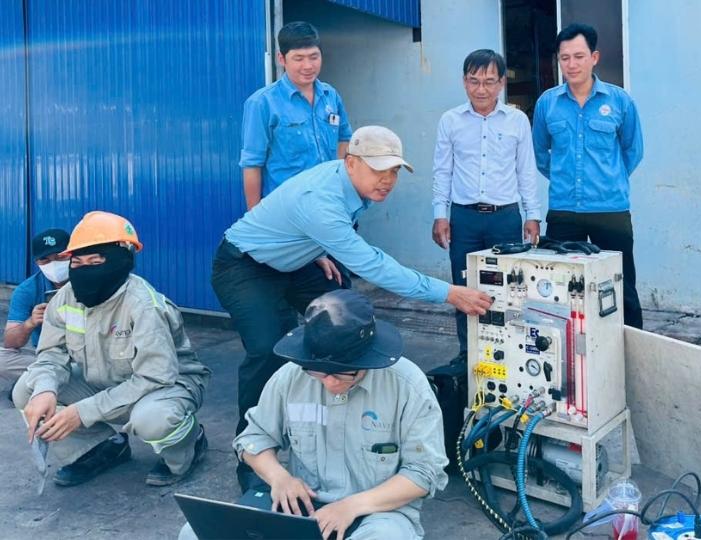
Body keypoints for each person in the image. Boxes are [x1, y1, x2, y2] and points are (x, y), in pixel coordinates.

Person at [212, 125, 492, 491]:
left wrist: (316, 249)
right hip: (245, 266)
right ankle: (252, 461)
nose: (387, 180)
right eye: (379, 170)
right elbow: (372, 265)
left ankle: (360, 429)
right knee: (267, 349)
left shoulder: (348, 187)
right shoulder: (321, 200)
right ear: (351, 163)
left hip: (297, 262)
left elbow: (315, 228)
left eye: (394, 171)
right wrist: (448, 293)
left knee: (352, 319)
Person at [179, 289, 447, 540]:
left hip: (377, 511)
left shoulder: (407, 385)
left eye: (344, 374)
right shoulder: (291, 376)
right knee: (193, 533)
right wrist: (279, 478)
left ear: (368, 358)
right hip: (301, 508)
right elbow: (253, 439)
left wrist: (350, 506)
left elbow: (423, 473)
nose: (329, 383)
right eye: (318, 373)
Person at [13, 211, 210, 487]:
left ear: (122, 260)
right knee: (28, 389)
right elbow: (51, 354)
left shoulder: (143, 305)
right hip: (103, 384)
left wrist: (82, 412)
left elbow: (155, 377)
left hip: (163, 388)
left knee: (154, 420)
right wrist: (46, 387)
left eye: (96, 261)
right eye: (78, 262)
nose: (85, 270)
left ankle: (190, 444)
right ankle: (102, 448)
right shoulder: (66, 298)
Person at [431, 49, 541, 362]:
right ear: (464, 82)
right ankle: (468, 355)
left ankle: (509, 356)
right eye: (474, 81)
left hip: (505, 219)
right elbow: (443, 171)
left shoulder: (517, 120)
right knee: (463, 288)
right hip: (463, 220)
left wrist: (532, 215)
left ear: (502, 83)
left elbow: (526, 171)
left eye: (490, 82)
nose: (482, 89)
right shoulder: (450, 121)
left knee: (508, 290)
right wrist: (440, 215)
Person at [532, 23, 645, 328]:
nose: (572, 64)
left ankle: (627, 359)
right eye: (565, 58)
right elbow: (541, 154)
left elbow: (632, 151)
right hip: (564, 212)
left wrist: (610, 179)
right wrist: (561, 178)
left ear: (594, 57)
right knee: (558, 291)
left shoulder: (619, 101)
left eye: (579, 56)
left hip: (611, 211)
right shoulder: (547, 103)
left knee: (621, 290)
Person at [240, 21, 353, 210]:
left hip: (330, 205)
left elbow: (344, 138)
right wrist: (256, 218)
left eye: (314, 57)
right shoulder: (262, 103)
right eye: (298, 58)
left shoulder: (330, 96)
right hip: (287, 211)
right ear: (281, 59)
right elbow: (252, 164)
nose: (308, 66)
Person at [2, 229, 71, 390]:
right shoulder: (27, 290)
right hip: (47, 357)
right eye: (45, 260)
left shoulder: (90, 280)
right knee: (2, 360)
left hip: (89, 356)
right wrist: (30, 323)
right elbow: (10, 342)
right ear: (36, 262)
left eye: (60, 256)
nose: (53, 264)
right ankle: (50, 380)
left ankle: (37, 382)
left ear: (72, 254)